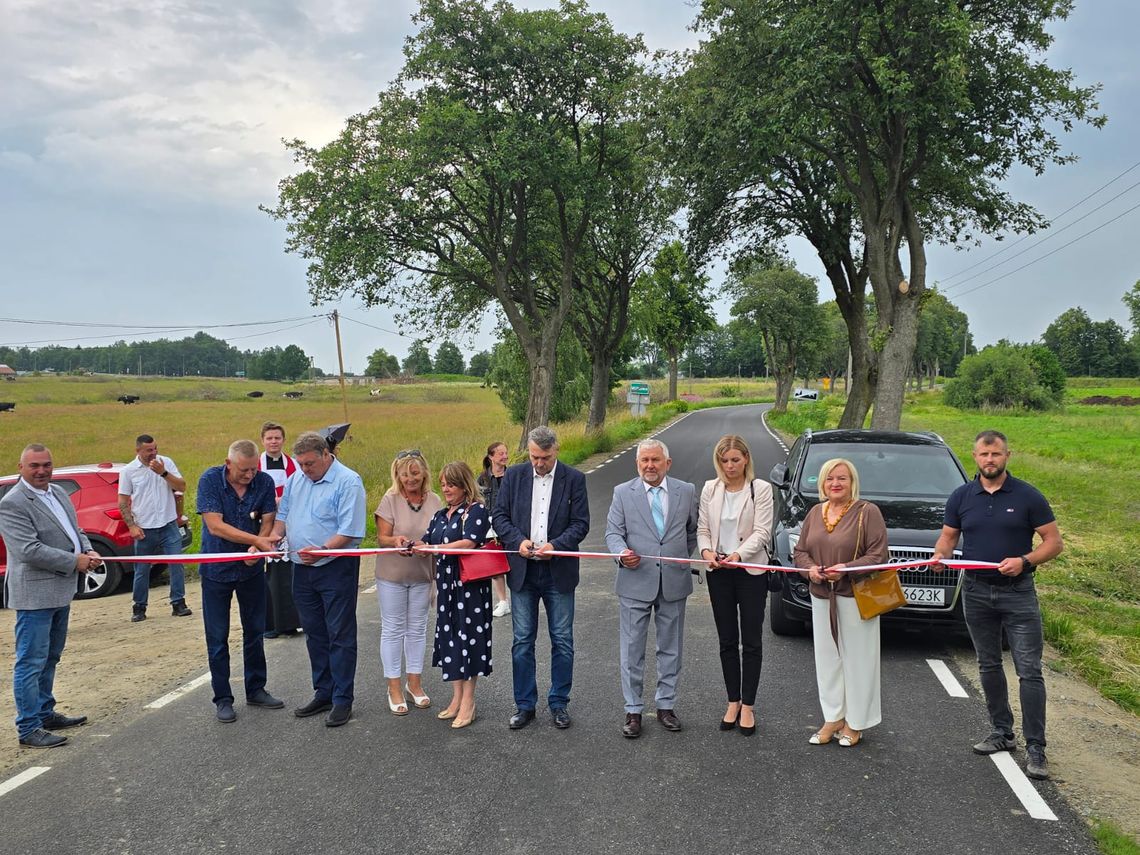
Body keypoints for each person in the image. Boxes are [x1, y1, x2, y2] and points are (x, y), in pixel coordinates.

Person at [933, 430, 1063, 781]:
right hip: (976, 592)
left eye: (996, 454)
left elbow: (1053, 542)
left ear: (1007, 456)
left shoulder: (1028, 496)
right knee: (988, 664)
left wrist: (1025, 561)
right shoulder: (961, 496)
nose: (989, 460)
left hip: (1018, 593)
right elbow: (947, 538)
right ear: (974, 457)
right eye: (983, 454)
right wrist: (940, 556)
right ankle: (1002, 732)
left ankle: (1036, 747)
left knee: (1029, 670)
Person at [0, 444, 100, 749]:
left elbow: (75, 530)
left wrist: (88, 549)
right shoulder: (13, 503)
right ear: (21, 468)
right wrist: (74, 561)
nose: (42, 471)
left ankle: (45, 712)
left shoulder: (57, 493)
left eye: (46, 465)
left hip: (60, 591)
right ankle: (28, 727)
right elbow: (28, 550)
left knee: (51, 657)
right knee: (31, 661)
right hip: (34, 595)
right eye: (34, 466)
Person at [492, 426, 590, 731]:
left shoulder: (574, 479)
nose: (539, 463)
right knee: (522, 641)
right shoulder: (514, 476)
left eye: (544, 457)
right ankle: (524, 705)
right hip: (523, 571)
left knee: (562, 640)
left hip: (558, 571)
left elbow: (581, 524)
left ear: (556, 450)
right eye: (534, 456)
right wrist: (517, 540)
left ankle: (559, 703)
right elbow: (499, 517)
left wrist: (556, 546)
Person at [272, 431, 367, 728]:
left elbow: (350, 530)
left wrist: (323, 549)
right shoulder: (296, 480)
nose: (305, 469)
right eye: (300, 464)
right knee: (314, 632)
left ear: (326, 455)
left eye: (310, 463)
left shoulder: (349, 482)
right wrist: (273, 539)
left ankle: (342, 699)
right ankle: (323, 691)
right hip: (301, 568)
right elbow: (283, 516)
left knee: (339, 633)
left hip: (335, 566)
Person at [604, 439, 697, 739]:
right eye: (644, 460)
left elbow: (692, 532)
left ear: (667, 463)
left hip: (673, 581)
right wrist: (621, 554)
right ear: (637, 464)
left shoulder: (686, 491)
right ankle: (633, 710)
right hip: (634, 580)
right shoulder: (622, 493)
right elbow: (613, 532)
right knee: (632, 650)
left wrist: (677, 558)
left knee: (670, 648)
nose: (649, 466)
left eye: (655, 460)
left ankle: (666, 706)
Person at [793, 458, 888, 748]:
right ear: (823, 483)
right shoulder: (815, 512)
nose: (835, 483)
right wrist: (810, 569)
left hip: (856, 596)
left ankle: (855, 722)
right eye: (830, 478)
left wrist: (846, 568)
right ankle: (833, 717)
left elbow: (878, 555)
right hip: (822, 595)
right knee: (827, 660)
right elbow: (800, 551)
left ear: (852, 482)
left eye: (842, 478)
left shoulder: (867, 512)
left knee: (859, 660)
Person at [196, 440, 286, 724]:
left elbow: (268, 520)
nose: (249, 475)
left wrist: (256, 548)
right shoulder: (210, 481)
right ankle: (223, 698)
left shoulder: (264, 482)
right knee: (217, 637)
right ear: (228, 463)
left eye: (253, 469)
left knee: (255, 631)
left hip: (250, 570)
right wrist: (256, 541)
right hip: (216, 570)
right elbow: (215, 526)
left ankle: (256, 689)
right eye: (243, 470)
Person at [696, 435, 774, 736]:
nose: (730, 466)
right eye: (724, 461)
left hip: (750, 571)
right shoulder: (710, 489)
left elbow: (762, 531)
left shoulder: (760, 489)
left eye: (735, 460)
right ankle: (733, 701)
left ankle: (749, 705)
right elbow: (703, 528)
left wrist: (738, 555)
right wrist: (706, 552)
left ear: (746, 459)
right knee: (727, 640)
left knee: (751, 641)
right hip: (719, 572)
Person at [416, 461, 493, 729]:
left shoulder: (476, 510)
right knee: (451, 640)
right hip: (446, 585)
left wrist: (435, 548)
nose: (446, 489)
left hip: (469, 585)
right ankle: (456, 698)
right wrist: (413, 545)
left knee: (469, 640)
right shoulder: (440, 515)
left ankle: (469, 701)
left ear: (463, 485)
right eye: (443, 484)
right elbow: (427, 540)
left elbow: (469, 542)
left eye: (451, 484)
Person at [374, 449, 442, 715]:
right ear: (397, 475)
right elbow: (382, 538)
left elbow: (440, 534)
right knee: (393, 628)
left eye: (415, 473)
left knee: (417, 628)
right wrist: (396, 541)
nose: (410, 479)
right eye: (404, 474)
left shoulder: (435, 500)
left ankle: (414, 684)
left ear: (424, 473)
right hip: (392, 574)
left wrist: (430, 545)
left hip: (422, 573)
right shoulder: (390, 499)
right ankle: (393, 687)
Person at [118, 433, 192, 622]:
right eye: (148, 450)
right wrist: (131, 526)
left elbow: (182, 487)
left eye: (155, 449)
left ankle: (178, 603)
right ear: (138, 450)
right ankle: (139, 607)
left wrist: (163, 472)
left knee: (176, 564)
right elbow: (123, 501)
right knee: (142, 569)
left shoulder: (166, 463)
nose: (153, 453)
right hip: (145, 528)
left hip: (168, 524)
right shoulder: (128, 471)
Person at [258, 421, 301, 639]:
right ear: (263, 441)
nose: (273, 442)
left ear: (283, 440)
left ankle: (289, 622)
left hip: (287, 522)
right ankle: (270, 624)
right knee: (267, 576)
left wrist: (283, 500)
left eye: (277, 438)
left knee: (286, 574)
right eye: (269, 438)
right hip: (261, 523)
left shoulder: (294, 465)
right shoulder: (256, 465)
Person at [478, 441, 512, 617]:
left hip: (510, 524)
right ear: (491, 457)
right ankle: (503, 601)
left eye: (506, 453)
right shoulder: (482, 479)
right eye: (501, 454)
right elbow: (477, 501)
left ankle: (518, 598)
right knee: (496, 564)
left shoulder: (512, 475)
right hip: (489, 527)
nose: (505, 456)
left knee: (514, 561)